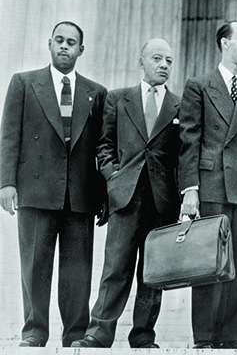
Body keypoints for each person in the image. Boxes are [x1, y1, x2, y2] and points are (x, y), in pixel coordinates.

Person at [0, 21, 107, 347]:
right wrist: (7, 184)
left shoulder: (96, 93)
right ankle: (34, 332)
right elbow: (9, 137)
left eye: (71, 42)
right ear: (49, 43)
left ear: (81, 50)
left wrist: (102, 196)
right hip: (35, 190)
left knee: (78, 271)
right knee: (34, 266)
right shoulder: (24, 83)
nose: (64, 46)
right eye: (59, 40)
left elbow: (102, 149)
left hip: (79, 194)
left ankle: (75, 333)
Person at [71, 38, 181, 349]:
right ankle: (99, 332)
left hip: (162, 200)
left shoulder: (178, 105)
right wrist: (113, 176)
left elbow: (182, 153)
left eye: (169, 61)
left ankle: (144, 335)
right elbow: (103, 145)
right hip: (125, 196)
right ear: (141, 61)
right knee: (115, 267)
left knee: (153, 271)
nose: (163, 65)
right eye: (157, 58)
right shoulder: (119, 99)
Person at [179, 20, 237, 349]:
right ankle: (204, 337)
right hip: (212, 182)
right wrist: (190, 188)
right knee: (208, 263)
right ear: (224, 43)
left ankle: (232, 337)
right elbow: (189, 140)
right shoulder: (199, 85)